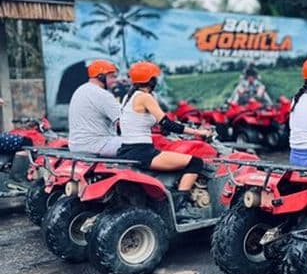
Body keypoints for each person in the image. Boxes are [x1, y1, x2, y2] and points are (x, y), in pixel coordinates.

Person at [117, 61, 212, 222]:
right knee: (196, 162)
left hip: (127, 149)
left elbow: (141, 121)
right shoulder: (145, 97)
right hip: (142, 151)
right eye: (154, 78)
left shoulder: (129, 97)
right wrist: (199, 132)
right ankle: (180, 208)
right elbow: (167, 123)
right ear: (150, 80)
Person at [68, 59, 123, 157]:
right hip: (98, 144)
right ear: (101, 77)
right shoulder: (102, 94)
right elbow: (123, 121)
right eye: (112, 77)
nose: (115, 81)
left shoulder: (81, 89)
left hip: (76, 145)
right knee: (139, 146)